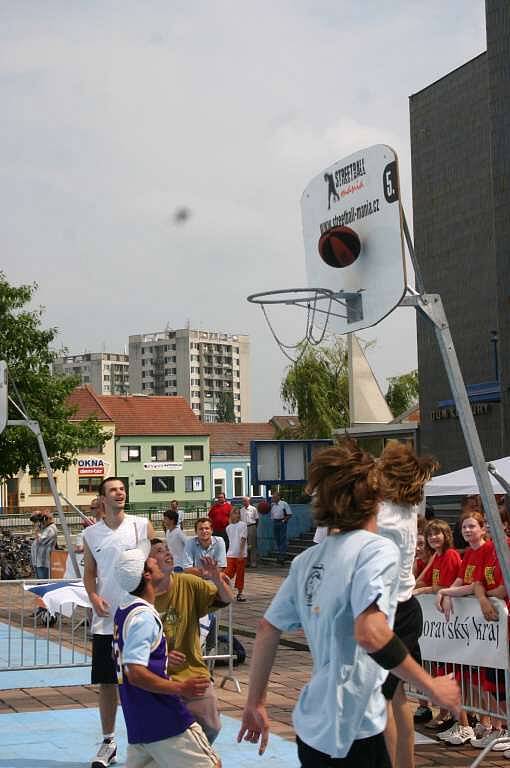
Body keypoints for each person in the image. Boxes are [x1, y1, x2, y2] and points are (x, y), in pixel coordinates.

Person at [238, 441, 460, 767]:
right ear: (373, 495)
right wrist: (431, 686)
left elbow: (267, 628)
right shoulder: (377, 550)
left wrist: (255, 702)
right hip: (355, 730)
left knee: (391, 699)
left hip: (312, 725)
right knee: (391, 701)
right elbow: (370, 632)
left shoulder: (306, 560)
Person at [113, 547, 221, 768]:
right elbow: (136, 673)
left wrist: (161, 660)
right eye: (150, 560)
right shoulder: (143, 617)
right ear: (147, 575)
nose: (155, 559)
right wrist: (181, 688)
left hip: (138, 718)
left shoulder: (124, 610)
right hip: (164, 716)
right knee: (211, 765)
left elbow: (132, 662)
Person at [83, 477, 155, 768]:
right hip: (106, 619)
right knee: (108, 684)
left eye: (122, 489)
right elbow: (89, 572)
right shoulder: (91, 535)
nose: (120, 493)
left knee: (145, 680)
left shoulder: (141, 526)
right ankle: (109, 741)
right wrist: (92, 596)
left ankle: (151, 739)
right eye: (113, 490)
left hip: (138, 617)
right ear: (102, 499)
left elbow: (159, 561)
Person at [376, 440, 439, 768]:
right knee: (397, 696)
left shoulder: (383, 514)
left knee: (380, 698)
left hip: (391, 612)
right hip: (407, 607)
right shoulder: (410, 505)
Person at [150, 538, 234, 743]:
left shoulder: (187, 583)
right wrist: (163, 658)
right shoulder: (141, 599)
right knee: (165, 739)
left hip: (193, 673)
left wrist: (216, 579)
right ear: (147, 564)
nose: (168, 553)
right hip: (157, 678)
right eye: (160, 551)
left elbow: (226, 598)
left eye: (168, 549)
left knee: (212, 727)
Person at [225, 508, 248, 602]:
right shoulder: (228, 527)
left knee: (240, 574)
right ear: (231, 515)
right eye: (235, 513)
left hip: (240, 554)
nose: (237, 515)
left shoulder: (243, 525)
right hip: (230, 554)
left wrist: (241, 553)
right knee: (227, 574)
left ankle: (240, 593)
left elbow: (243, 539)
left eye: (238, 513)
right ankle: (223, 591)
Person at [31, 511, 57, 579]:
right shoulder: (46, 527)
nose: (42, 522)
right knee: (39, 581)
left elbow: (41, 540)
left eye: (43, 520)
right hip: (38, 560)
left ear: (47, 519)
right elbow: (33, 519)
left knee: (43, 582)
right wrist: (37, 515)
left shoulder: (51, 529)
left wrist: (36, 531)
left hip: (43, 561)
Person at [270, 489, 292, 566]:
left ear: (279, 497)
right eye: (273, 497)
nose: (273, 498)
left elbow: (289, 514)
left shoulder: (284, 504)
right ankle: (281, 554)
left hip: (282, 522)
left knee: (282, 539)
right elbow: (272, 515)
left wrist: (283, 521)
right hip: (275, 522)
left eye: (275, 497)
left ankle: (281, 557)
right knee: (277, 539)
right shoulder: (272, 505)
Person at [240, 496, 258, 568]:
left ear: (249, 501)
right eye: (243, 501)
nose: (244, 502)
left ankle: (253, 562)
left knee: (252, 545)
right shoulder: (241, 510)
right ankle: (246, 562)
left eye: (245, 501)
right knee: (245, 545)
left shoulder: (253, 509)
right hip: (243, 527)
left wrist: (254, 527)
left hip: (251, 526)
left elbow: (257, 519)